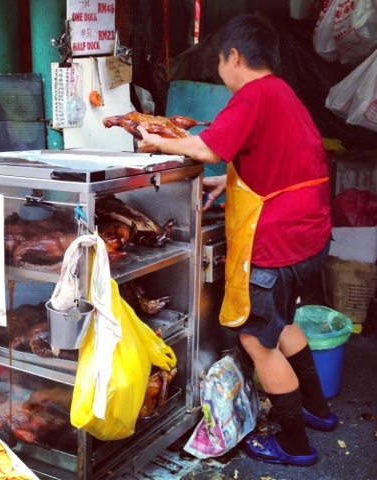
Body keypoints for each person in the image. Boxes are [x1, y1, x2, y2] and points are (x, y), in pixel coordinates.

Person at [137, 13, 338, 467]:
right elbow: (281, 161)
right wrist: (227, 182)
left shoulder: (253, 94)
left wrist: (158, 143)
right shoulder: (283, 93)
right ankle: (317, 411)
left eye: (219, 61)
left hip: (278, 241)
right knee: (283, 324)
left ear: (233, 56)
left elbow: (207, 148)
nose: (219, 71)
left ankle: (295, 444)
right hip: (309, 237)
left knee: (257, 342)